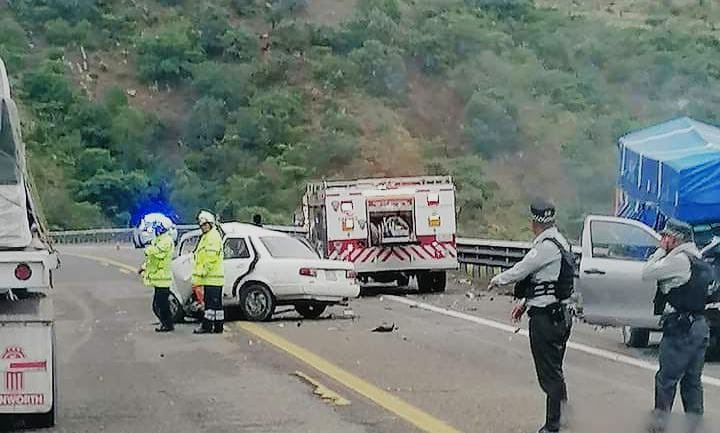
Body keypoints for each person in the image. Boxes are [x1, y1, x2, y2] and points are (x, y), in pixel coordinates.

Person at [488, 200, 573, 433]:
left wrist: (498, 280)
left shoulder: (545, 246)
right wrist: (525, 303)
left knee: (549, 374)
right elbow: (546, 281)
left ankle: (554, 425)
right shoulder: (561, 241)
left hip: (547, 318)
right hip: (559, 314)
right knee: (555, 370)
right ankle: (563, 418)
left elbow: (523, 269)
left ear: (535, 222)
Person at [642, 219, 712, 433]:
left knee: (666, 382)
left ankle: (659, 428)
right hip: (699, 326)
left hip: (681, 329)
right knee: (692, 383)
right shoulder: (696, 257)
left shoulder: (679, 260)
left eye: (666, 237)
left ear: (676, 239)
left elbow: (648, 272)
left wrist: (660, 252)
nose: (663, 240)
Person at [140, 217, 175, 333]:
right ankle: (165, 323)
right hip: (158, 278)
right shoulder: (159, 240)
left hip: (163, 277)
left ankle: (167, 324)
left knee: (162, 304)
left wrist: (148, 249)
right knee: (158, 303)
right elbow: (152, 260)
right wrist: (144, 267)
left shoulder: (166, 241)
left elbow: (157, 253)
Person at [193, 210, 226, 334]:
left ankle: (206, 326)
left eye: (204, 225)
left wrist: (202, 271)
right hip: (212, 278)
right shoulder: (208, 236)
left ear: (210, 224)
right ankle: (218, 326)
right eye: (201, 225)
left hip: (212, 277)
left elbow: (210, 257)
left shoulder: (212, 237)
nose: (202, 227)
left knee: (210, 306)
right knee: (216, 306)